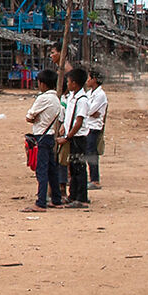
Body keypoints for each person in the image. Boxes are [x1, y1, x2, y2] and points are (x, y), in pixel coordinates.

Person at [24, 71, 67, 209]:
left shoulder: (43, 98)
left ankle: (41, 202)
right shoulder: (57, 99)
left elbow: (29, 116)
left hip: (41, 136)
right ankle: (56, 199)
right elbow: (61, 118)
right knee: (52, 169)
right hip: (50, 136)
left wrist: (34, 119)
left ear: (42, 83)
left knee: (41, 170)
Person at [60, 68, 93, 209]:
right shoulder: (72, 97)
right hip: (72, 136)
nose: (67, 84)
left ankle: (82, 198)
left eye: (68, 81)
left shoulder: (82, 100)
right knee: (73, 167)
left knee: (79, 168)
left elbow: (78, 122)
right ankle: (72, 195)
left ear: (74, 83)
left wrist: (67, 137)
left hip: (78, 138)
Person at [78, 67, 108, 189]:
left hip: (94, 127)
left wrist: (88, 112)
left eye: (89, 78)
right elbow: (87, 110)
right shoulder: (89, 93)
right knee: (87, 152)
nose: (87, 81)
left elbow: (88, 109)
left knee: (91, 153)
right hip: (88, 125)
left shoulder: (100, 95)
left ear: (94, 79)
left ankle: (95, 179)